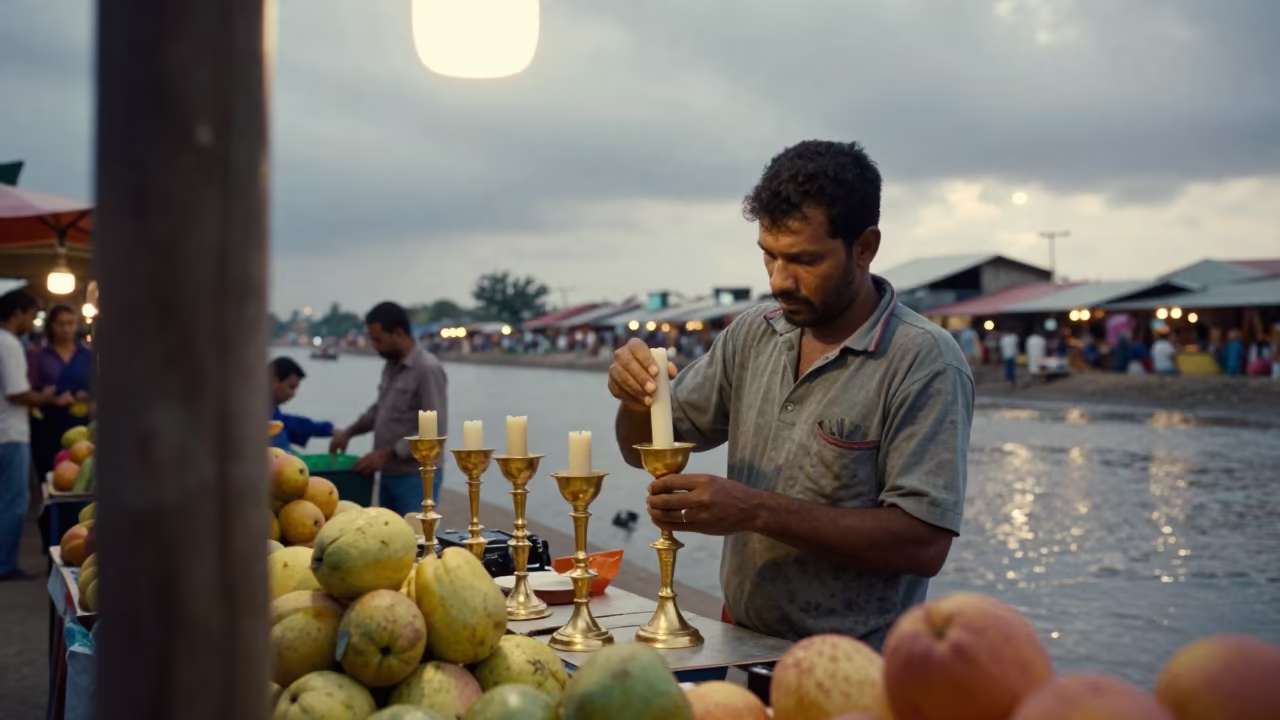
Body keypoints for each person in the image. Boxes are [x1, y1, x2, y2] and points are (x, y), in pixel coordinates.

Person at [608, 140, 973, 648]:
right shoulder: (754, 333)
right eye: (769, 256)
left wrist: (755, 511)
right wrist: (635, 398)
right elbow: (638, 449)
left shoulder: (924, 361)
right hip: (740, 638)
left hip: (857, 663)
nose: (780, 281)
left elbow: (922, 543)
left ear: (864, 247)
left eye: (803, 260)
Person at [330, 302, 448, 516]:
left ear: (398, 333)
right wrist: (348, 432)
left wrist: (389, 453)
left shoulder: (427, 369)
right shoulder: (391, 365)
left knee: (416, 541)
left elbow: (434, 431)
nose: (374, 346)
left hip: (416, 477)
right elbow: (380, 410)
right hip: (389, 473)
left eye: (378, 339)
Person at [1, 290, 69, 581]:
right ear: (18, 313)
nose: (32, 321)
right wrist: (47, 398)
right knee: (14, 501)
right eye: (31, 315)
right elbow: (17, 393)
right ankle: (5, 565)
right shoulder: (10, 344)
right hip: (10, 432)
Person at [29, 306, 94, 481]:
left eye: (70, 323)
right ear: (51, 326)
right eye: (61, 324)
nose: (66, 328)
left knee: (80, 474)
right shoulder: (39, 355)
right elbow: (28, 390)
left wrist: (86, 394)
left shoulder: (86, 355)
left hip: (80, 424)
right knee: (49, 475)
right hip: (47, 424)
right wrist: (52, 399)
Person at [269, 356, 334, 452]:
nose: (293, 394)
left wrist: (328, 430)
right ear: (274, 381)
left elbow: (290, 423)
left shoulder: (273, 411)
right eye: (291, 387)